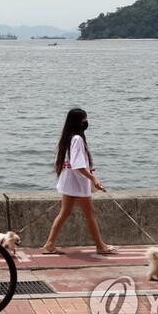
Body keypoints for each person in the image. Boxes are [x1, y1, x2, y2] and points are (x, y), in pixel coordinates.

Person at [42, 108, 118, 255]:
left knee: (65, 213)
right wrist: (93, 178)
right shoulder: (77, 139)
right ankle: (100, 246)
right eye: (84, 120)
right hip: (76, 183)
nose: (86, 122)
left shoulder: (68, 137)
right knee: (90, 213)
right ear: (79, 122)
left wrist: (88, 171)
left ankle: (50, 243)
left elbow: (73, 163)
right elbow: (78, 165)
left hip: (69, 181)